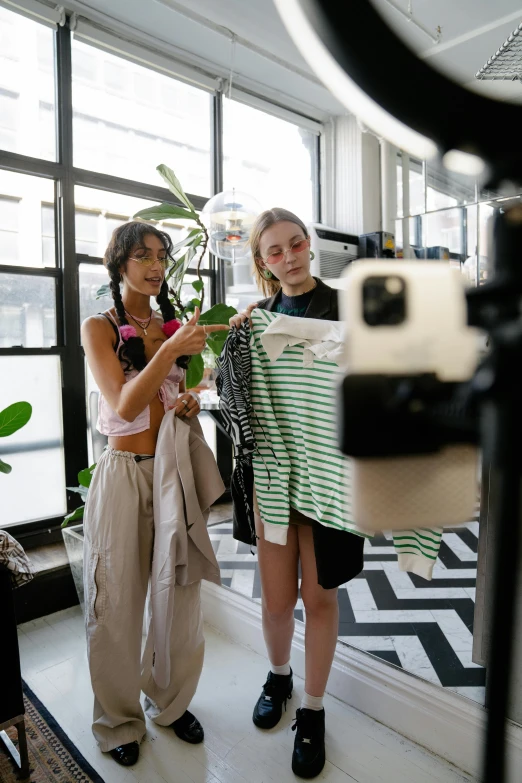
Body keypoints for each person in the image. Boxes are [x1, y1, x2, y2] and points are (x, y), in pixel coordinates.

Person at [81, 221, 228, 767]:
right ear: (119, 263)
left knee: (180, 589)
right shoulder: (99, 327)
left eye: (161, 256)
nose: (154, 265)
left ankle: (171, 701)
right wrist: (171, 349)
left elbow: (174, 394)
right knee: (116, 599)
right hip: (123, 472)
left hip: (172, 466)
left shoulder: (172, 326)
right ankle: (118, 719)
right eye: (142, 255)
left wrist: (188, 399)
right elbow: (122, 406)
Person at [229, 208, 364, 779]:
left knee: (321, 596)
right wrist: (237, 339)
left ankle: (312, 710)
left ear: (309, 245)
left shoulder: (348, 310)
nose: (288, 257)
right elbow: (231, 395)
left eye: (295, 244)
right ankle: (279, 675)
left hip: (331, 480)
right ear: (263, 262)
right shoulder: (255, 320)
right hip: (275, 478)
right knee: (278, 598)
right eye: (275, 252)